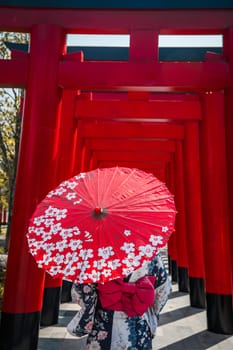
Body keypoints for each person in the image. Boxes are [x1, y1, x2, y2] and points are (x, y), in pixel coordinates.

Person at [67, 251, 171, 350]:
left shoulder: (96, 253)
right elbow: (164, 289)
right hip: (138, 323)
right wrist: (150, 312)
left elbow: (80, 292)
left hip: (104, 323)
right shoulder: (150, 252)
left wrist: (90, 307)